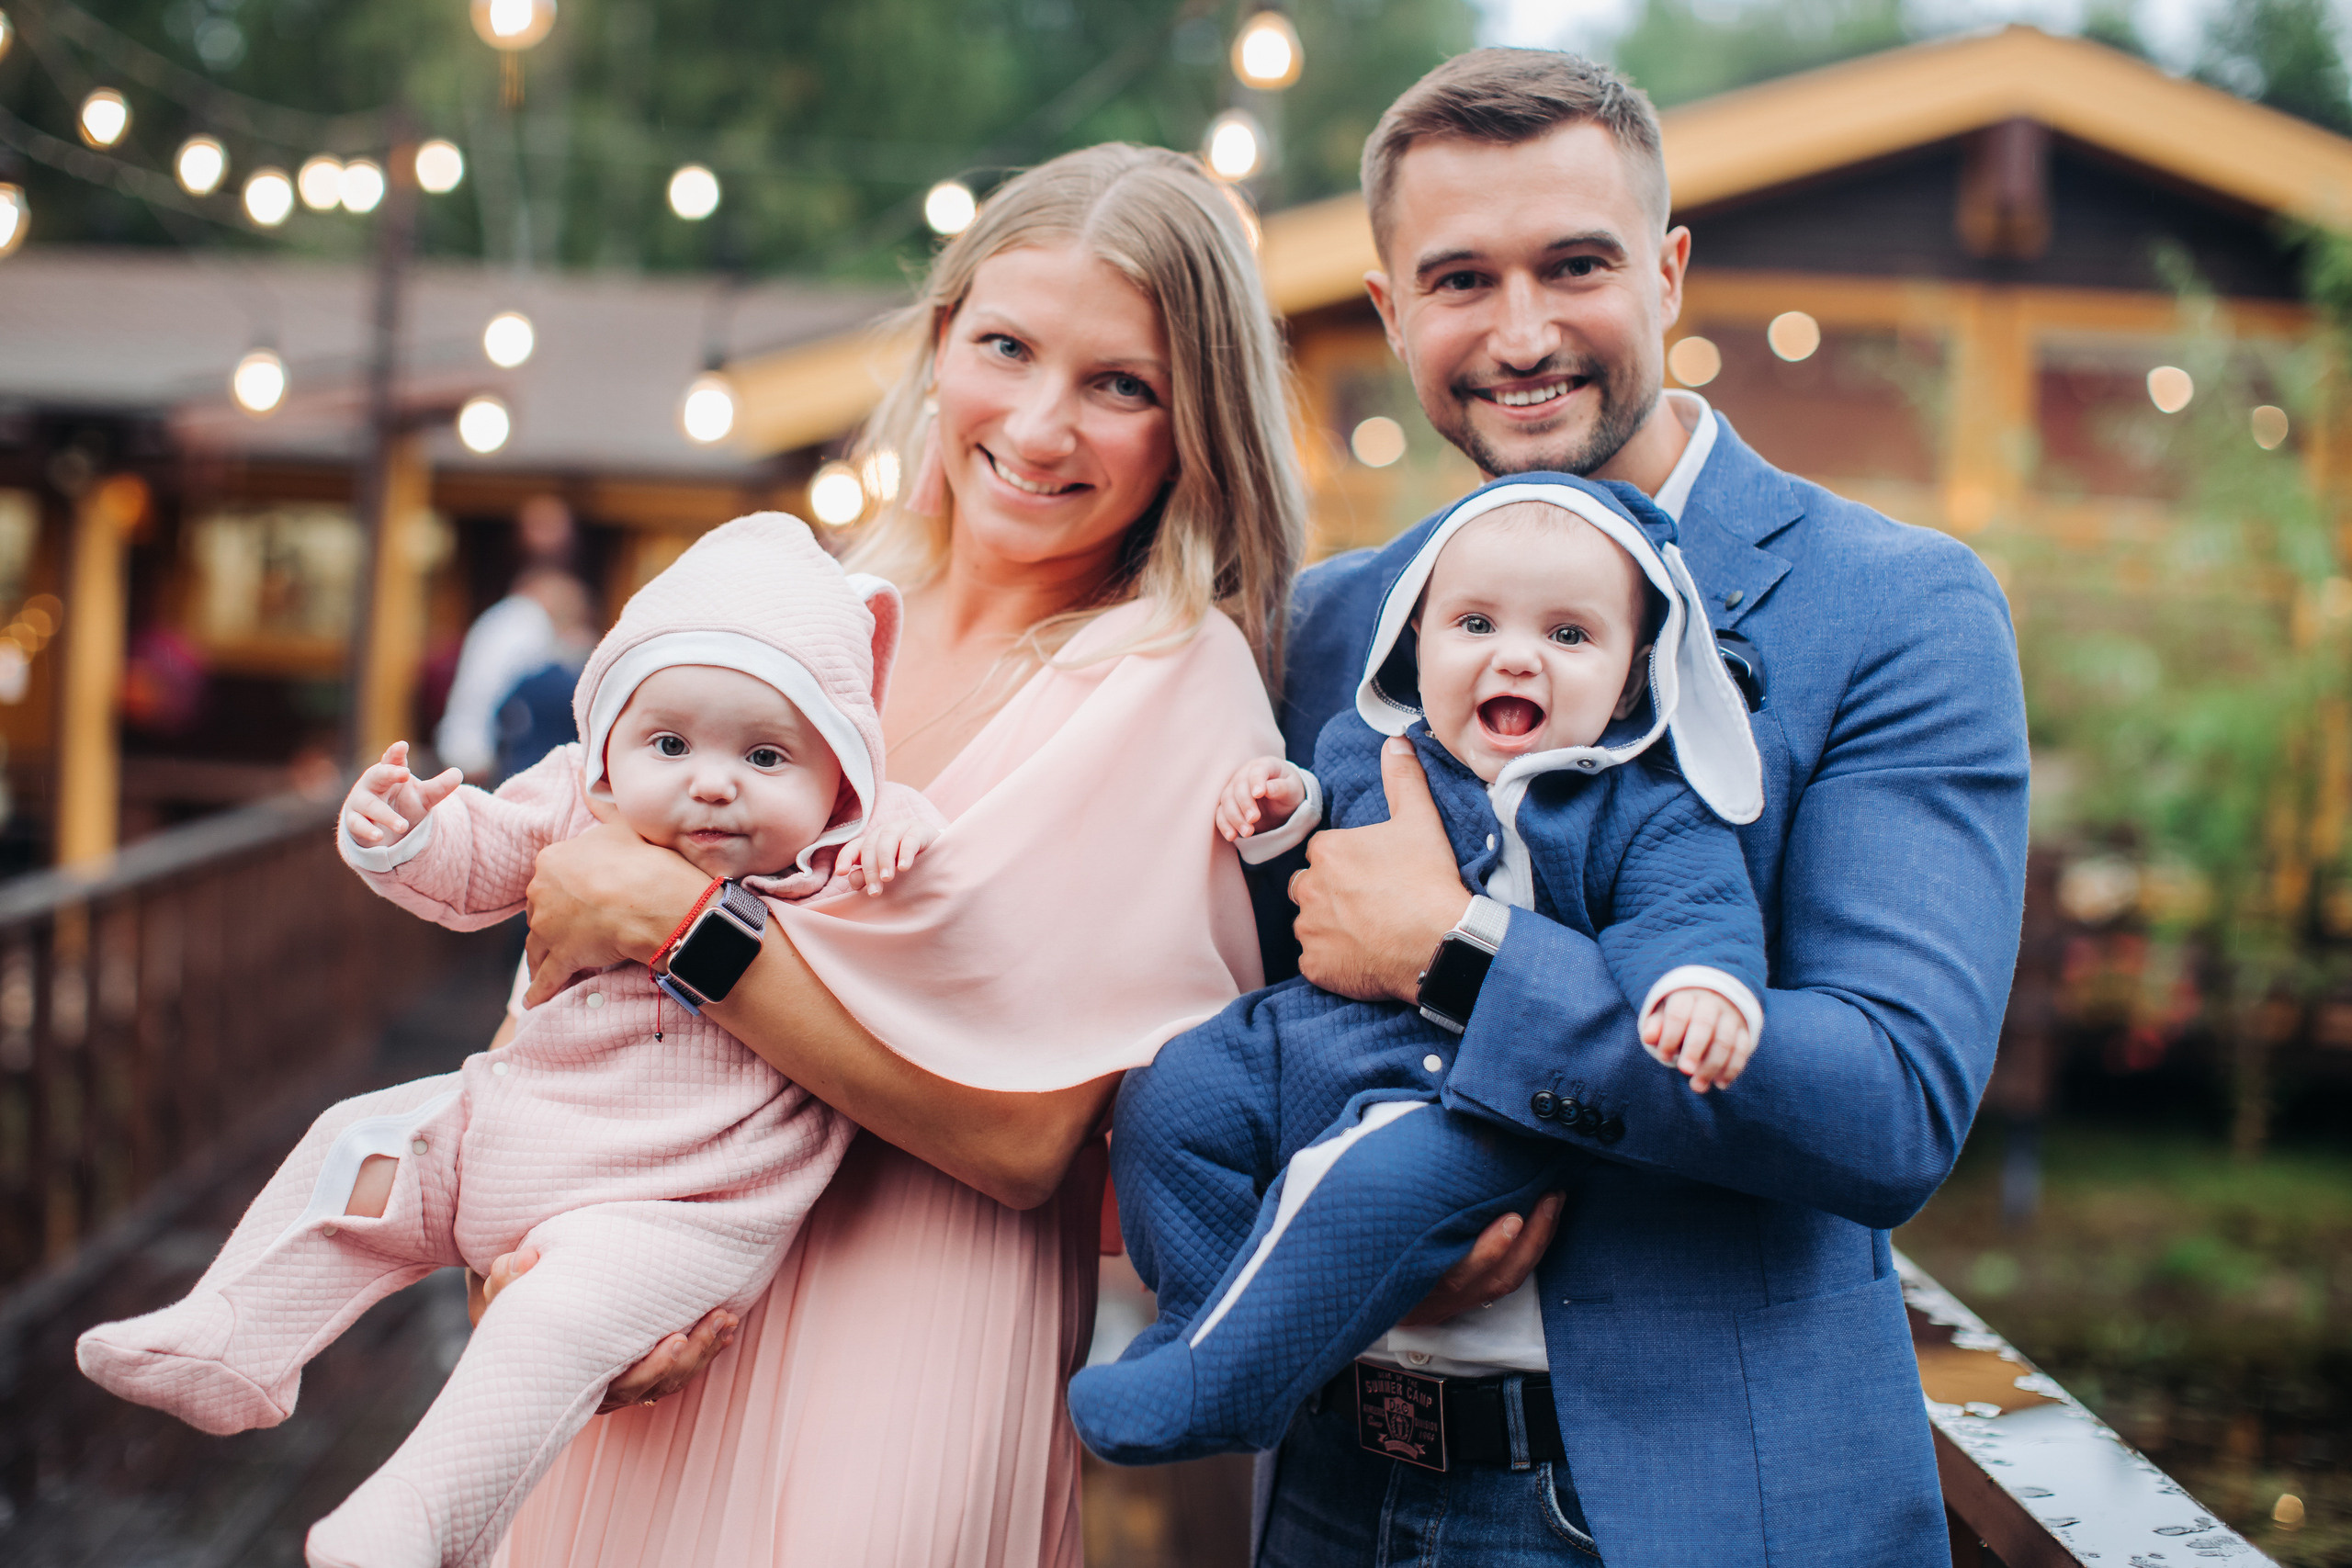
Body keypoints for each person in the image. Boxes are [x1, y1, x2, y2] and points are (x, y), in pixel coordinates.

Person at [475, 142, 1306, 1568]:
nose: (1039, 425)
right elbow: (564, 945)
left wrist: (687, 926)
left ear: (1193, 425)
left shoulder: (1173, 678)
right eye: (1007, 348)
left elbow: (1022, 1139)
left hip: (910, 1333)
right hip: (638, 1295)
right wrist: (510, 1260)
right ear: (941, 340)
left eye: (1120, 384)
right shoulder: (803, 610)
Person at [1250, 49, 2030, 1565]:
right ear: (1392, 310)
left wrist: (1457, 955)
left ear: (1667, 274)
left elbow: (1888, 1101)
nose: (1522, 332)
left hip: (1687, 1512)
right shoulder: (1338, 623)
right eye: (1461, 279)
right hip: (1340, 1486)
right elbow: (1258, 1021)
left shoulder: (1896, 609)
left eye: (1576, 265)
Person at [78, 514, 944, 1568]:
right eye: (670, 745)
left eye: (766, 755)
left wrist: (905, 830)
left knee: (548, 1320)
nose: (712, 782)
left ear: (841, 776)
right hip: (513, 1130)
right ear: (611, 746)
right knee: (360, 1143)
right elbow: (486, 853)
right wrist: (409, 830)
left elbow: (915, 870)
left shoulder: (842, 854)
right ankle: (232, 1335)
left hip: (673, 1206)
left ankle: (420, 1518)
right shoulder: (577, 799)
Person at [1069, 480, 1768, 1467]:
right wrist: (1283, 811)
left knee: (1361, 1184)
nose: (1514, 656)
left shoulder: (1640, 806)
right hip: (1319, 1035)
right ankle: (1202, 1319)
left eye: (1569, 635)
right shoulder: (1385, 747)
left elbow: (1691, 912)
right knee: (1172, 1094)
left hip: (1472, 1102)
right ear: (1416, 640)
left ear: (1627, 681)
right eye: (1475, 623)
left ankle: (1223, 1385)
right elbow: (1325, 849)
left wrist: (1701, 988)